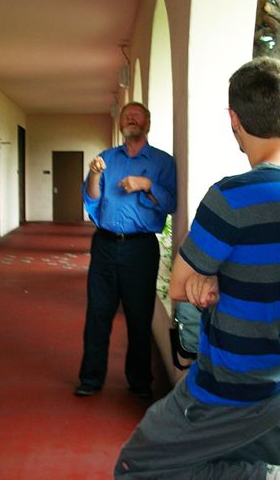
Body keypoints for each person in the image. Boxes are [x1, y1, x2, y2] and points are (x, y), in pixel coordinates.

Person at [114, 57, 280, 480]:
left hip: (228, 386)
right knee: (247, 460)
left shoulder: (232, 197)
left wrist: (210, 275)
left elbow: (181, 287)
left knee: (136, 466)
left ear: (233, 119)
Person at [74, 101, 177, 398]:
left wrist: (147, 184)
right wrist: (93, 175)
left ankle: (140, 381)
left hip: (141, 248)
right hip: (105, 244)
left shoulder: (162, 162)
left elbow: (171, 203)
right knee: (98, 314)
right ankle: (90, 379)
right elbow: (92, 200)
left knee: (139, 317)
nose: (131, 119)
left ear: (147, 123)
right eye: (126, 116)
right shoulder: (105, 159)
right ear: (121, 124)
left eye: (137, 116)